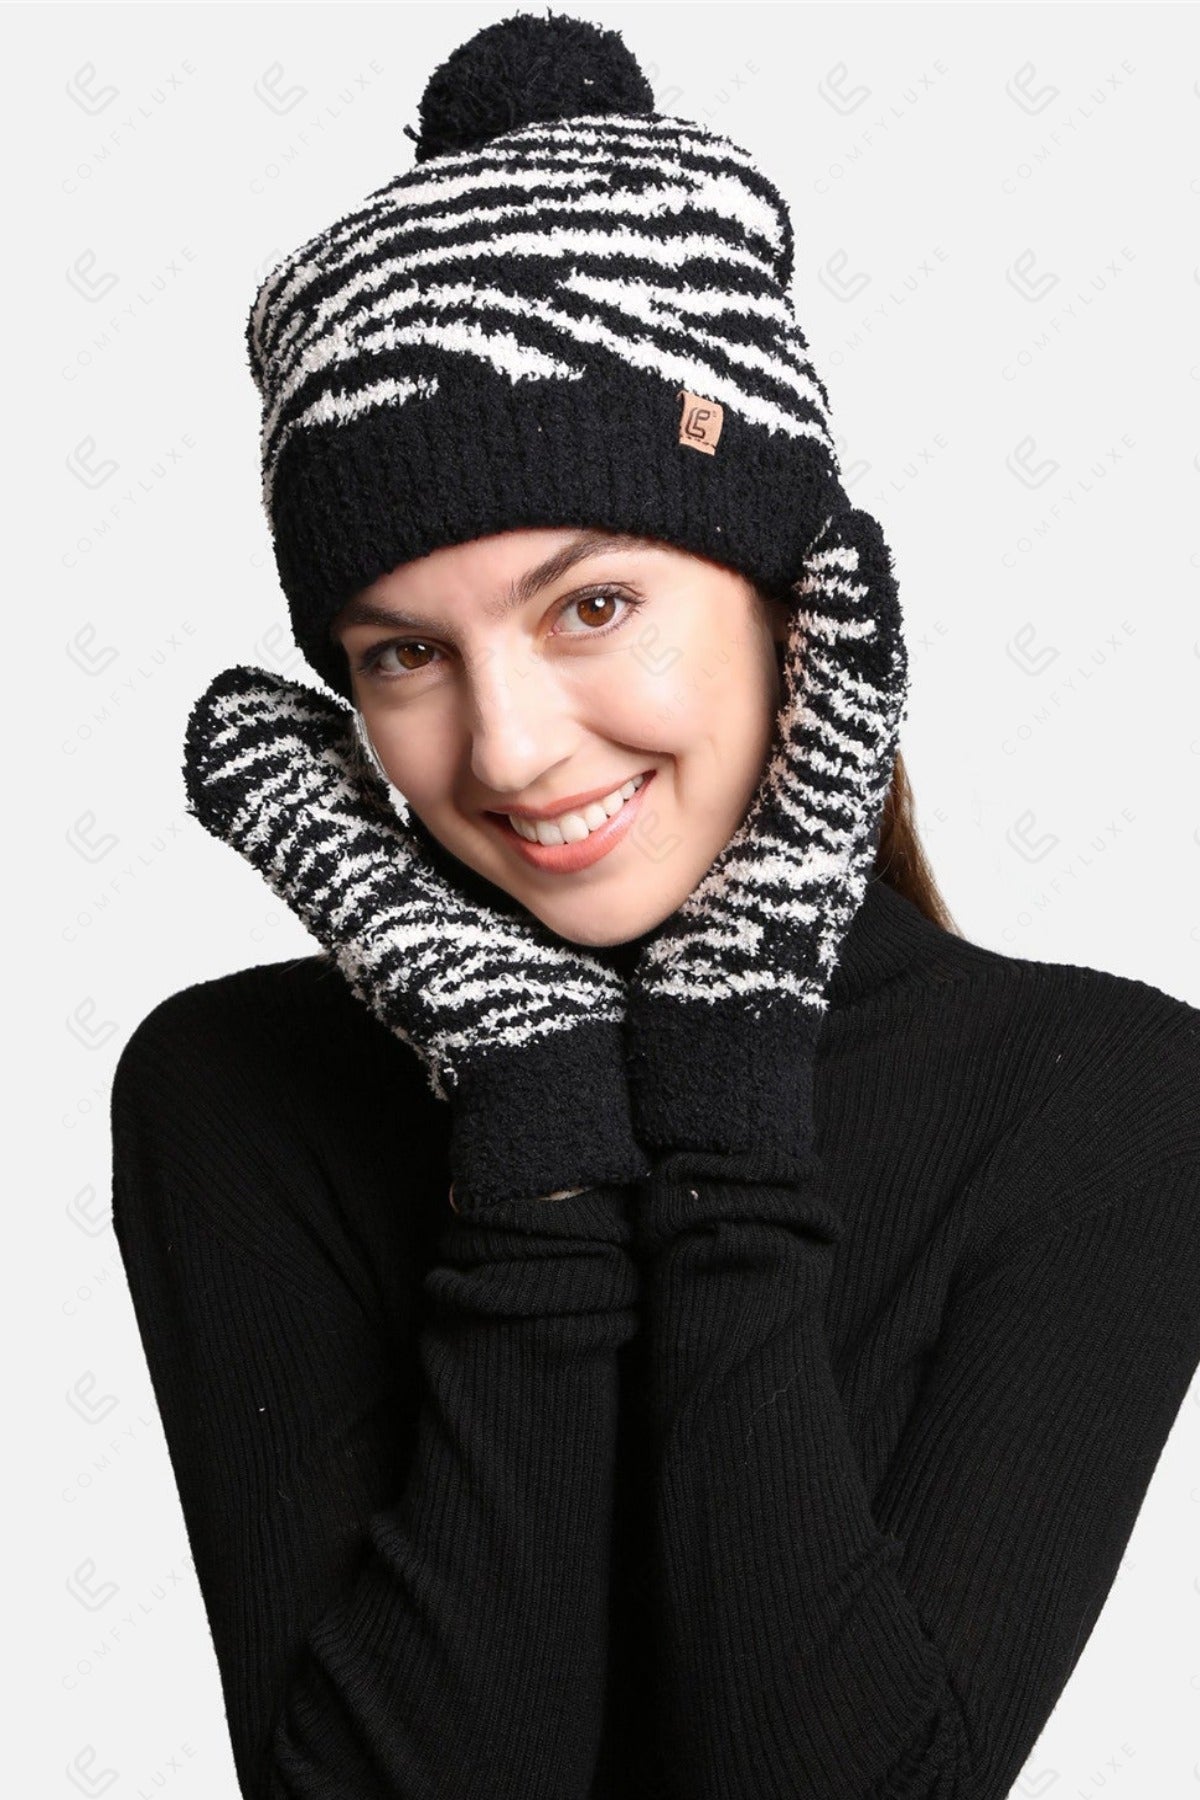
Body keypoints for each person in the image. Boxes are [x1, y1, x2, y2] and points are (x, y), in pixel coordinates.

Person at [108, 12, 1200, 1800]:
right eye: (403, 655)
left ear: (796, 600)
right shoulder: (232, 1091)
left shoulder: (1100, 1099)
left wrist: (728, 1105)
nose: (511, 750)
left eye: (592, 606)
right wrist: (534, 1121)